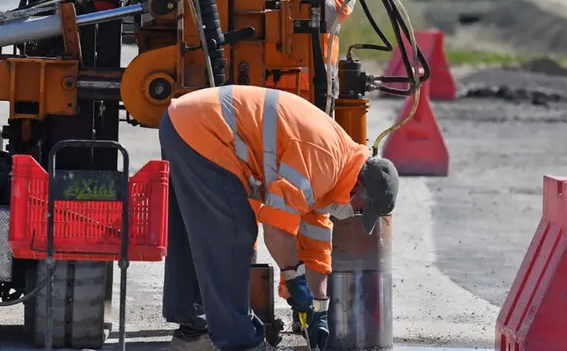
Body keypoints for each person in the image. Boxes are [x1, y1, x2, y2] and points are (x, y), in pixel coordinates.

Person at [160, 85, 400, 351]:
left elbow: (316, 247)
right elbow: (276, 230)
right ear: (359, 188)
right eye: (360, 207)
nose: (354, 212)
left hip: (185, 122)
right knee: (233, 234)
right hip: (205, 129)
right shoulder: (325, 160)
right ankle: (241, 343)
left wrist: (318, 310)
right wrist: (294, 279)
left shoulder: (336, 173)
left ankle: (194, 333)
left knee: (192, 232)